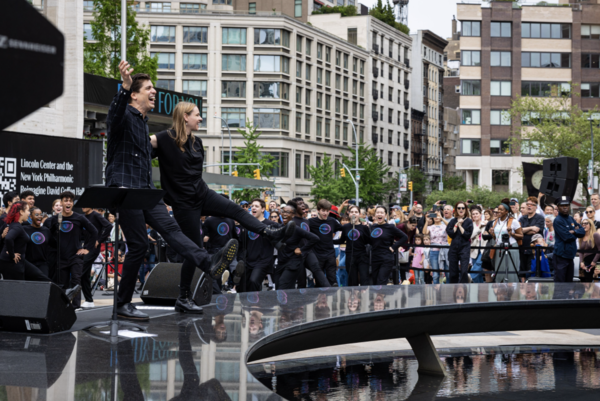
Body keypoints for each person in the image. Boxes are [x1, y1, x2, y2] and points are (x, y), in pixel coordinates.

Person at [106, 63, 260, 319]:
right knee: (139, 244)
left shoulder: (143, 122)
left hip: (146, 190)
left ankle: (209, 263)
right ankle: (121, 304)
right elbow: (113, 118)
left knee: (172, 230)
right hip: (125, 189)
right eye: (148, 88)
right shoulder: (124, 115)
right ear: (134, 94)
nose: (154, 91)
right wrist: (123, 87)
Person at [149, 101, 295, 301]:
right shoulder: (164, 138)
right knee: (194, 248)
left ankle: (269, 231)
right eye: (197, 115)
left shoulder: (196, 141)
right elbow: (139, 149)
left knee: (235, 209)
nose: (200, 118)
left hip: (203, 193)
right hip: (184, 204)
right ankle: (183, 298)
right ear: (185, 116)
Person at [44, 191, 98, 308]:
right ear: (61, 203)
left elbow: (94, 231)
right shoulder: (54, 219)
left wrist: (87, 249)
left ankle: (76, 306)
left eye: (70, 201)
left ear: (72, 203)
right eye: (65, 200)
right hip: (61, 257)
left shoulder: (79, 218)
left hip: (76, 256)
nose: (68, 203)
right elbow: (48, 235)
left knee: (76, 281)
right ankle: (64, 306)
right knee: (62, 284)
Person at [276, 201, 319, 290]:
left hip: (292, 263)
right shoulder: (278, 227)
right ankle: (290, 304)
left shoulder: (296, 229)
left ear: (293, 215)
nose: (284, 214)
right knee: (281, 288)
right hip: (281, 263)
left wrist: (302, 249)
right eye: (283, 211)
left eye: (288, 212)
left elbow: (315, 238)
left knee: (282, 286)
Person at [240, 199, 279, 292]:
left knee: (254, 281)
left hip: (263, 261)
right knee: (244, 286)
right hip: (248, 261)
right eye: (252, 206)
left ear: (263, 209)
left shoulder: (271, 225)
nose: (253, 208)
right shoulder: (246, 224)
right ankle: (250, 305)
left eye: (256, 206)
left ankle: (255, 304)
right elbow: (242, 243)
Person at [80, 207, 113, 308]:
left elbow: (109, 226)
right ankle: (89, 300)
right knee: (84, 275)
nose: (83, 207)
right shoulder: (83, 217)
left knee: (81, 271)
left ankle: (73, 298)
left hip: (93, 249)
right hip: (85, 247)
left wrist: (99, 240)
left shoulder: (96, 215)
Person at [369, 206, 407, 285]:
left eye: (382, 212)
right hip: (374, 258)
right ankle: (378, 297)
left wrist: (394, 247)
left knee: (381, 281)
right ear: (375, 215)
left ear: (385, 215)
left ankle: (381, 296)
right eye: (378, 212)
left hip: (386, 258)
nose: (379, 214)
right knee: (375, 282)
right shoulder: (372, 227)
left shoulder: (390, 227)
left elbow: (404, 237)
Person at [308, 199, 343, 286]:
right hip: (317, 255)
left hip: (330, 254)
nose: (325, 213)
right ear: (318, 210)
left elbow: (344, 229)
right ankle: (320, 299)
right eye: (323, 210)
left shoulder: (332, 221)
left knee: (332, 280)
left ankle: (332, 299)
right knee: (320, 281)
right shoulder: (311, 222)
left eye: (327, 211)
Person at [334, 205, 371, 286]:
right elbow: (341, 240)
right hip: (350, 256)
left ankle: (364, 297)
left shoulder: (364, 227)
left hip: (362, 256)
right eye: (352, 212)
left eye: (356, 212)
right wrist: (329, 241)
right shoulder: (346, 227)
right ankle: (354, 297)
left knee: (364, 279)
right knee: (352, 280)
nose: (354, 214)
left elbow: (369, 241)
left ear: (359, 214)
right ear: (349, 214)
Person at [488, 201, 523, 283]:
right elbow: (496, 237)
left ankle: (513, 291)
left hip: (511, 247)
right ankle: (500, 292)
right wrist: (492, 233)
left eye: (501, 210)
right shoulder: (495, 222)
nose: (499, 211)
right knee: (499, 270)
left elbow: (521, 236)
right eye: (498, 210)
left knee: (511, 270)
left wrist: (511, 233)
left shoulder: (513, 221)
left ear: (507, 211)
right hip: (499, 248)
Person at [553, 196, 585, 282]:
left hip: (570, 257)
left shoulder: (571, 218)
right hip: (561, 257)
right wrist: (576, 231)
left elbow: (583, 232)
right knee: (560, 285)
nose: (565, 207)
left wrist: (574, 232)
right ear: (558, 207)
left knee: (569, 285)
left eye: (567, 205)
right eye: (562, 206)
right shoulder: (558, 220)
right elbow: (567, 237)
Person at [518, 197, 545, 283]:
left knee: (532, 270)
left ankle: (531, 290)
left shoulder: (539, 218)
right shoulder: (522, 218)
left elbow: (536, 230)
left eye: (532, 205)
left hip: (533, 249)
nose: (529, 206)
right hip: (522, 247)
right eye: (527, 204)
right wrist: (530, 228)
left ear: (536, 207)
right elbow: (519, 230)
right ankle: (523, 288)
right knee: (522, 270)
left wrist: (524, 230)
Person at [446, 202, 473, 283]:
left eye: (463, 208)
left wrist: (460, 226)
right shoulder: (452, 221)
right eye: (459, 208)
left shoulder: (469, 221)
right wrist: (456, 225)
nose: (461, 210)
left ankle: (464, 290)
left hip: (464, 248)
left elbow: (467, 235)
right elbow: (450, 233)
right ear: (456, 210)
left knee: (464, 271)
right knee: (453, 272)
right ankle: (453, 290)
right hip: (454, 248)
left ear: (466, 209)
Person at [22, 206, 52, 277]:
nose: (39, 216)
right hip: (28, 264)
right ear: (31, 217)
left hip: (43, 264)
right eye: (36, 215)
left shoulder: (46, 230)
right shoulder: (24, 229)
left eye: (41, 214)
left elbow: (51, 246)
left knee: (44, 283)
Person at [423, 210, 449, 284]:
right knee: (435, 275)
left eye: (438, 215)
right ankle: (436, 290)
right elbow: (424, 232)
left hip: (445, 251)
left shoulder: (445, 226)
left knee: (448, 272)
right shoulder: (430, 227)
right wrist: (426, 221)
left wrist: (442, 218)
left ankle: (449, 289)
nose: (436, 217)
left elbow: (451, 227)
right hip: (434, 251)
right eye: (435, 215)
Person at [578, 218, 600, 282]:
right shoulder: (581, 236)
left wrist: (594, 261)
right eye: (583, 223)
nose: (584, 225)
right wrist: (581, 262)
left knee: (595, 283)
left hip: (595, 262)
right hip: (586, 263)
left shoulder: (595, 235)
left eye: (586, 223)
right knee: (586, 283)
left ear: (590, 225)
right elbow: (581, 251)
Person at [469, 206, 485, 283]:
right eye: (473, 214)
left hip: (483, 247)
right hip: (474, 247)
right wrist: (479, 228)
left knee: (478, 264)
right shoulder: (471, 224)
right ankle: (480, 289)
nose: (475, 215)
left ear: (480, 214)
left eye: (476, 213)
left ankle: (469, 277)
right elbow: (470, 236)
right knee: (478, 272)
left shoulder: (486, 223)